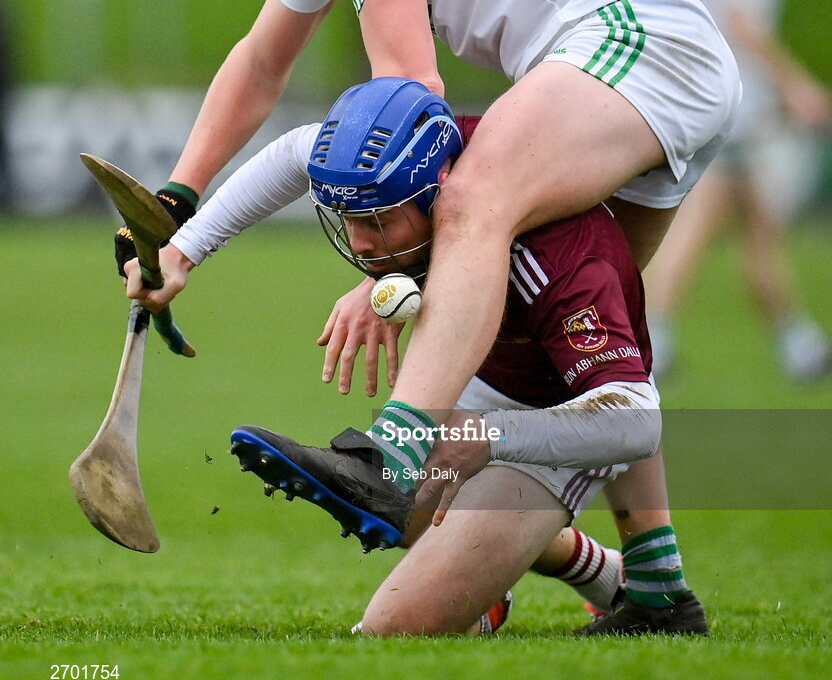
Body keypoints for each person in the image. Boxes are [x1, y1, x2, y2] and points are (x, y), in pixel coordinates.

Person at [136, 0, 741, 529]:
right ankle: (650, 584)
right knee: (585, 314)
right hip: (629, 60)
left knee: (472, 200)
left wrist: (390, 272)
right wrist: (174, 205)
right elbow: (261, 64)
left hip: (638, 40)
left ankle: (392, 457)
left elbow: (408, 100)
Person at [126, 77, 708, 636]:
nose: (359, 242)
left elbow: (634, 422)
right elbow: (292, 153)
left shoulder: (563, 260)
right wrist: (185, 250)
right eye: (350, 219)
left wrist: (490, 437)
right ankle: (599, 572)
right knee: (396, 501)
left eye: (377, 220)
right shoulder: (424, 154)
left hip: (554, 424)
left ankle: (513, 554)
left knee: (396, 627)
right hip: (481, 394)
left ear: (438, 192)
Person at [645, 0, 832, 381]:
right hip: (724, 109)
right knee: (703, 223)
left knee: (757, 227)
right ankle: (651, 339)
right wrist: (796, 84)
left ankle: (796, 343)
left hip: (726, 105)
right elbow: (740, 21)